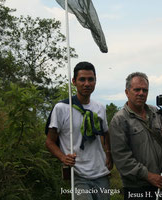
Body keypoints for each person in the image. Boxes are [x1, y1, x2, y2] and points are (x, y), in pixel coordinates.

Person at [45, 61, 113, 200]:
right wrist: (63, 157)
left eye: (90, 79)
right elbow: (50, 142)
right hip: (77, 174)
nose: (86, 84)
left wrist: (108, 154)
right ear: (74, 82)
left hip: (101, 173)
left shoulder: (99, 107)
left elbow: (105, 133)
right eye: (82, 79)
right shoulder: (62, 108)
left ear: (95, 81)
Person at [109, 72, 162, 200]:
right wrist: (148, 175)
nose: (141, 93)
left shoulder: (156, 113)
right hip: (137, 187)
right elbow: (122, 159)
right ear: (127, 92)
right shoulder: (120, 120)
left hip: (160, 183)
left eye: (145, 90)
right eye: (137, 89)